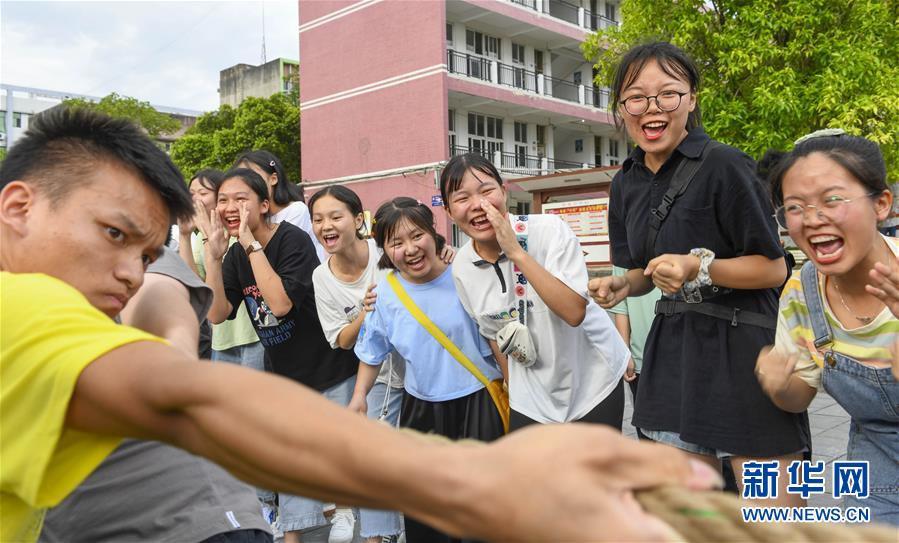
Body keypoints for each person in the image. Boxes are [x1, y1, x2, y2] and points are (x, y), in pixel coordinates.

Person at [1, 106, 723, 543]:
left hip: (559, 396)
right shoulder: (23, 308)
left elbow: (163, 331)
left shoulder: (534, 240)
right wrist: (475, 481)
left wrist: (160, 296)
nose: (129, 269)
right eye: (114, 234)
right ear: (18, 207)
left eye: (147, 250)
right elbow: (184, 398)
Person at [587, 41, 808, 505]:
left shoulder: (726, 165)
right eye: (636, 98)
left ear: (691, 99)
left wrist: (699, 268)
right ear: (622, 108)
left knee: (773, 519)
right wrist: (622, 284)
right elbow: (642, 271)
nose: (652, 108)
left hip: (743, 351)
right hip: (672, 357)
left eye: (667, 94)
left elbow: (771, 269)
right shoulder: (625, 182)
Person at [40, 247, 272, 543]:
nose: (131, 271)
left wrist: (172, 364)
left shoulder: (119, 247)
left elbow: (161, 308)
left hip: (189, 521)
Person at [199, 168, 358, 543]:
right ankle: (292, 536)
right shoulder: (235, 254)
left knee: (342, 454)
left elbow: (281, 304)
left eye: (241, 199)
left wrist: (251, 245)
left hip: (330, 366)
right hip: (284, 374)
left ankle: (358, 519)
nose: (229, 207)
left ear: (265, 204)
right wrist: (214, 258)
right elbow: (217, 314)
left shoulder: (292, 240)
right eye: (223, 200)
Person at [754, 130, 898, 525]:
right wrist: (780, 385)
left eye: (833, 200)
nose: (813, 219)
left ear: (881, 203)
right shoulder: (803, 291)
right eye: (795, 207)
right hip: (879, 465)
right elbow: (798, 398)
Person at [353, 197, 506, 543]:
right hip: (421, 410)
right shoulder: (386, 293)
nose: (410, 249)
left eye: (416, 235)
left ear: (433, 234)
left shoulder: (465, 273)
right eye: (396, 242)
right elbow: (372, 349)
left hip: (479, 402)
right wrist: (359, 396)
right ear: (384, 250)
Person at [440, 153, 629, 430]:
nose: (478, 206)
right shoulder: (462, 268)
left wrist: (516, 252)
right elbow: (493, 335)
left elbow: (574, 311)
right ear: (448, 211)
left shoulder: (549, 231)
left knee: (596, 474)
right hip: (532, 397)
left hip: (592, 381)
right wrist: (513, 387)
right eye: (461, 198)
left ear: (503, 192)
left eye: (486, 191)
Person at [308, 186, 406, 543]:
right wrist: (366, 314)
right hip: (379, 376)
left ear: (358, 219)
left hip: (423, 367)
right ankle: (376, 538)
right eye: (318, 220)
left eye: (335, 216)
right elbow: (342, 340)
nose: (326, 226)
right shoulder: (322, 278)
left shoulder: (387, 250)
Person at [178, 169, 264, 369]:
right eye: (191, 193)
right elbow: (198, 288)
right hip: (221, 339)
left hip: (253, 335)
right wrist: (184, 236)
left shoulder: (239, 230)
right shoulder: (199, 238)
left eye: (203, 192)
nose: (195, 199)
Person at [235, 150, 327, 263]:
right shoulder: (252, 219)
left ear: (273, 179)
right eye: (241, 180)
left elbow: (277, 253)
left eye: (254, 177)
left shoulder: (296, 210)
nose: (248, 185)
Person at [607, 264, 662, 439]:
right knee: (647, 434)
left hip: (684, 353)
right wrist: (625, 352)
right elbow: (621, 307)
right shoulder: (627, 246)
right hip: (642, 359)